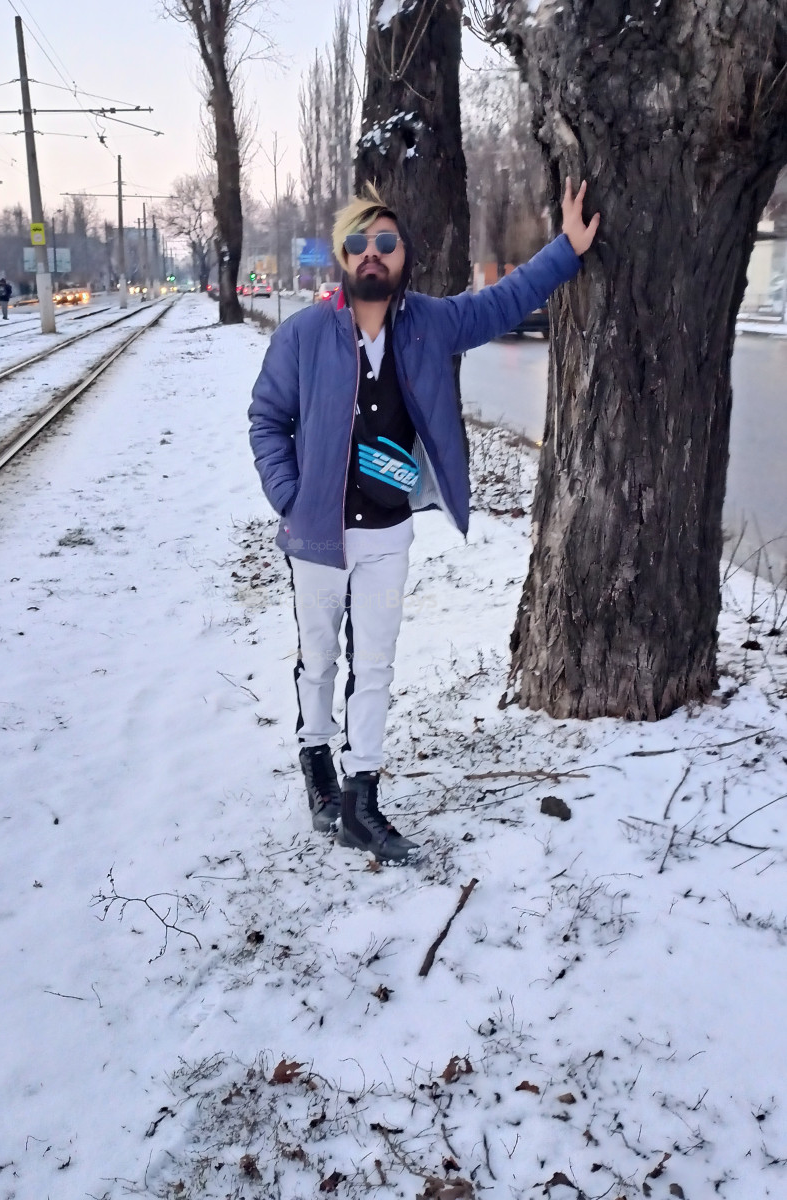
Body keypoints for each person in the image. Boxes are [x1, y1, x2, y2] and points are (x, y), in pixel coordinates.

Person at [248, 178, 600, 863]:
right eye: (358, 242)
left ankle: (362, 801)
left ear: (403, 254)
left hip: (386, 531)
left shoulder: (428, 323)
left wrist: (566, 248)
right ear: (343, 257)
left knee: (375, 665)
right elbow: (267, 419)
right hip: (315, 532)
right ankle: (317, 763)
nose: (372, 252)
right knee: (319, 659)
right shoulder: (304, 335)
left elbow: (503, 302)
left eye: (386, 241)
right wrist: (289, 495)